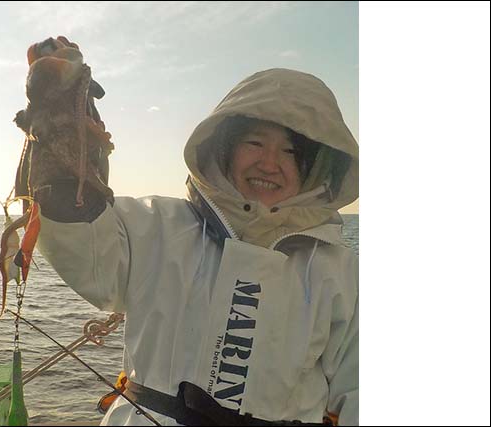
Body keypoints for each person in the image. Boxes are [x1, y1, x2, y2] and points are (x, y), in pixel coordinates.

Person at [32, 66, 359, 426]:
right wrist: (60, 172)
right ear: (224, 149)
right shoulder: (155, 224)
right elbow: (84, 253)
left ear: (316, 167)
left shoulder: (340, 272)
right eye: (255, 143)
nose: (270, 163)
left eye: (291, 152)